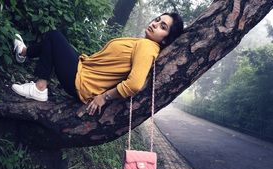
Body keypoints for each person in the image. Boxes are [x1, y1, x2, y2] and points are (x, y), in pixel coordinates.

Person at [12, 12, 184, 115]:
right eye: (157, 20)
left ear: (166, 39)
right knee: (55, 42)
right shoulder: (143, 43)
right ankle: (23, 52)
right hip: (83, 69)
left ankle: (39, 88)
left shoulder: (148, 47)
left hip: (81, 82)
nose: (154, 24)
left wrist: (105, 96)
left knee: (54, 36)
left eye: (162, 26)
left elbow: (135, 84)